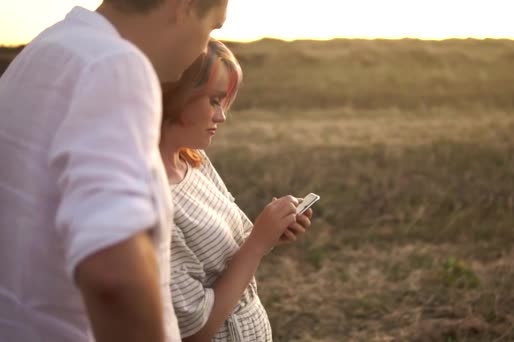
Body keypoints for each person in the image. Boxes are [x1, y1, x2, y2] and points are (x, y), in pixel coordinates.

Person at [0, 1, 228, 341]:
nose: (201, 49)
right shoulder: (114, 65)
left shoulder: (47, 50)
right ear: (184, 7)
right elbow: (115, 278)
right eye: (211, 28)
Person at [160, 39, 313, 341]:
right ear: (176, 96)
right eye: (214, 100)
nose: (222, 115)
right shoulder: (154, 201)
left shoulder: (195, 160)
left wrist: (272, 231)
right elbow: (195, 332)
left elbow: (230, 257)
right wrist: (258, 242)